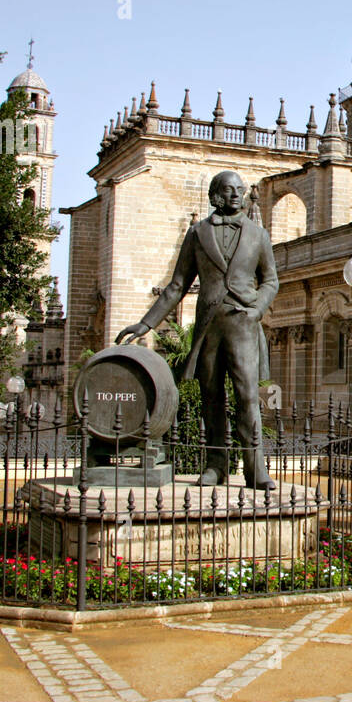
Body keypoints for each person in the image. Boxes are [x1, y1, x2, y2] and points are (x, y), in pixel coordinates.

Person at [116, 170, 278, 489]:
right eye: (229, 190)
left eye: (240, 190)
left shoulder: (258, 235)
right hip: (208, 326)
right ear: (215, 194)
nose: (236, 195)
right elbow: (177, 285)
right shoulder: (197, 232)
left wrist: (257, 309)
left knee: (248, 398)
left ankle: (255, 469)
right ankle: (215, 466)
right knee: (211, 398)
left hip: (243, 323)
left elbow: (270, 279)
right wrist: (147, 322)